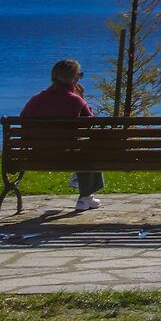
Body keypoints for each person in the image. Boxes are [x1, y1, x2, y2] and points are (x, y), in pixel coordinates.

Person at [20, 58, 104, 211]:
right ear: (74, 78)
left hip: (37, 155)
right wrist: (81, 99)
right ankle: (85, 196)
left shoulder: (35, 100)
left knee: (86, 150)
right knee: (92, 149)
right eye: (80, 74)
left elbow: (23, 123)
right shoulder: (76, 101)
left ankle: (85, 192)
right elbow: (92, 126)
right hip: (68, 156)